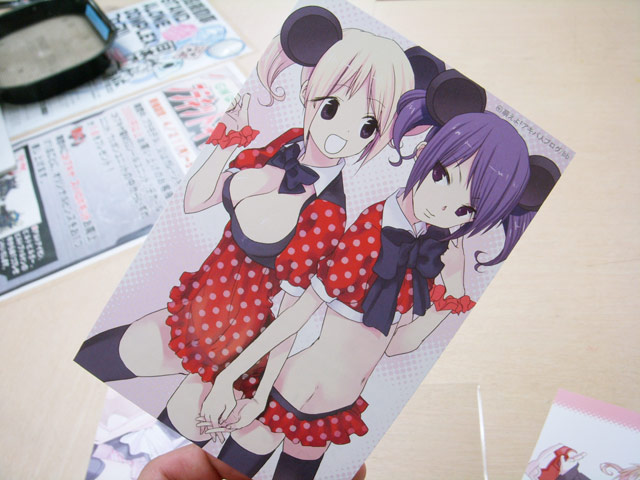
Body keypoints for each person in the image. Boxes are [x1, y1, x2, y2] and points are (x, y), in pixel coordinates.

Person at [75, 6, 415, 445]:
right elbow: (195, 200)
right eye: (331, 107)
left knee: (166, 441)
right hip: (194, 306)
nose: (343, 134)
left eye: (368, 125)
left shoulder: (329, 213)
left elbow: (292, 312)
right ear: (309, 89)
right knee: (96, 375)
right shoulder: (285, 144)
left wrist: (250, 388)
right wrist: (224, 142)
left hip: (236, 339)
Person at [197, 103, 559, 479]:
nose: (444, 207)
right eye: (441, 177)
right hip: (292, 391)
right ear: (424, 153)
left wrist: (451, 294)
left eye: (464, 210)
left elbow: (397, 344)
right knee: (225, 474)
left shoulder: (428, 251)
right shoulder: (371, 231)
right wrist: (237, 381)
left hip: (334, 410)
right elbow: (298, 315)